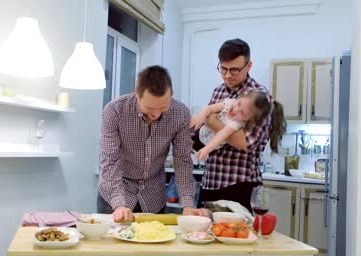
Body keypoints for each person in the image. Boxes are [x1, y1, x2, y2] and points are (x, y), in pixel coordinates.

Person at [97, 65, 207, 222]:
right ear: (137, 93)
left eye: (163, 108)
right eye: (149, 108)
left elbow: (182, 160)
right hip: (116, 193)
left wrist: (188, 204)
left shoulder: (180, 113)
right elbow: (109, 161)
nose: (155, 114)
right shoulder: (114, 111)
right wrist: (119, 204)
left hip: (153, 196)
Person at [194, 38, 286, 213]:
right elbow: (207, 121)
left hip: (238, 183)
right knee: (203, 235)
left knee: (235, 236)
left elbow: (245, 143)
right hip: (211, 179)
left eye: (235, 69)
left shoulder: (260, 98)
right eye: (223, 68)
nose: (228, 75)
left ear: (249, 66)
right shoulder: (218, 91)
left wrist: (213, 121)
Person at [190, 90, 285, 161]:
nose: (235, 110)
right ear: (240, 97)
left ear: (247, 120)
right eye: (239, 104)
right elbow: (209, 109)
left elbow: (220, 135)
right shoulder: (229, 102)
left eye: (242, 113)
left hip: (205, 143)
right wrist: (200, 116)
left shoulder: (235, 124)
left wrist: (206, 150)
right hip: (201, 130)